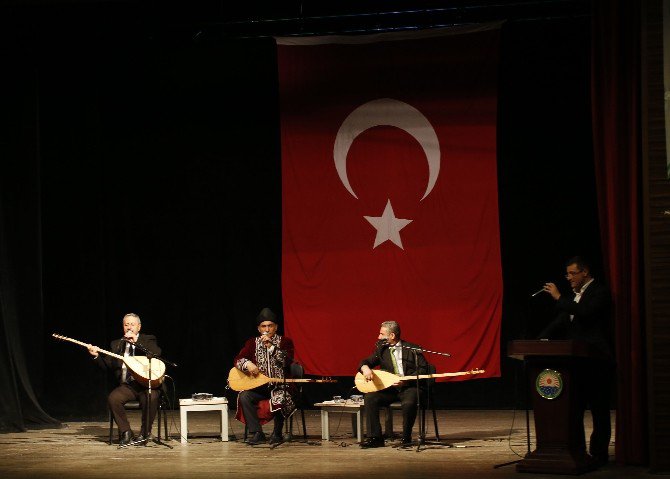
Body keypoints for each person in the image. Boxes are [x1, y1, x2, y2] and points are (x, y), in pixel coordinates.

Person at [537, 256, 613, 467]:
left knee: (598, 410)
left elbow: (586, 313)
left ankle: (599, 454)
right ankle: (577, 451)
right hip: (576, 364)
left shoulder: (599, 292)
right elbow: (559, 322)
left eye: (572, 273)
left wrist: (559, 297)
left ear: (585, 272)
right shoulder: (573, 297)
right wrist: (538, 342)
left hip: (596, 361)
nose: (568, 277)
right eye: (567, 274)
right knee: (573, 409)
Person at [87, 313, 162, 446]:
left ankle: (145, 434)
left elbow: (156, 352)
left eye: (132, 324)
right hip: (128, 386)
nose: (129, 327)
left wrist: (136, 342)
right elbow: (107, 366)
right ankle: (126, 432)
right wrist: (96, 356)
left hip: (147, 384)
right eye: (126, 324)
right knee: (113, 398)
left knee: (151, 397)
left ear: (139, 327)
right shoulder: (116, 344)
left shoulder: (148, 339)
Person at [358, 321, 428, 448]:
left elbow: (424, 369)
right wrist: (365, 367)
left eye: (381, 334)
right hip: (390, 389)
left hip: (409, 387)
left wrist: (406, 380)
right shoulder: (382, 350)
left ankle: (406, 438)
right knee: (370, 397)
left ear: (392, 335)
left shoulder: (412, 348)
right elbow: (366, 361)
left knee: (409, 403)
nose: (378, 337)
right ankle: (376, 438)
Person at [233, 307, 295, 445]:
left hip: (281, 386)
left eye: (270, 326)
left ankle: (277, 433)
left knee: (281, 397)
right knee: (244, 396)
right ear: (259, 329)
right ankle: (257, 433)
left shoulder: (285, 342)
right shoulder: (251, 343)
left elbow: (287, 361)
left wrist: (271, 346)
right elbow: (238, 359)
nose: (267, 329)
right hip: (259, 387)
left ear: (276, 327)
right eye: (263, 326)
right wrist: (247, 364)